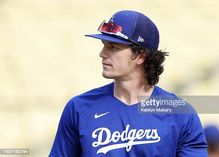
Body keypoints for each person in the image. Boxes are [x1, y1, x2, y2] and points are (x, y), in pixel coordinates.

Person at [49, 10, 208, 157]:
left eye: (113, 47)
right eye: (103, 45)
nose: (102, 54)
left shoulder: (181, 113)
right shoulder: (78, 107)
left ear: (141, 56)